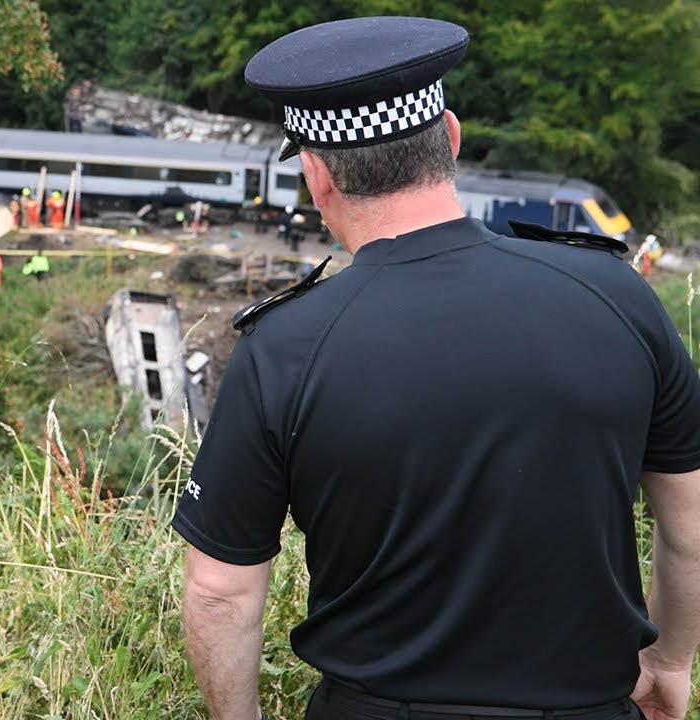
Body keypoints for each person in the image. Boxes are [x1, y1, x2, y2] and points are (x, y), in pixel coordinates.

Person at [173, 16, 700, 720]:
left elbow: (220, 592)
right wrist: (668, 660)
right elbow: (691, 524)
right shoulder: (618, 298)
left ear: (317, 175)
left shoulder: (287, 347)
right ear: (450, 138)